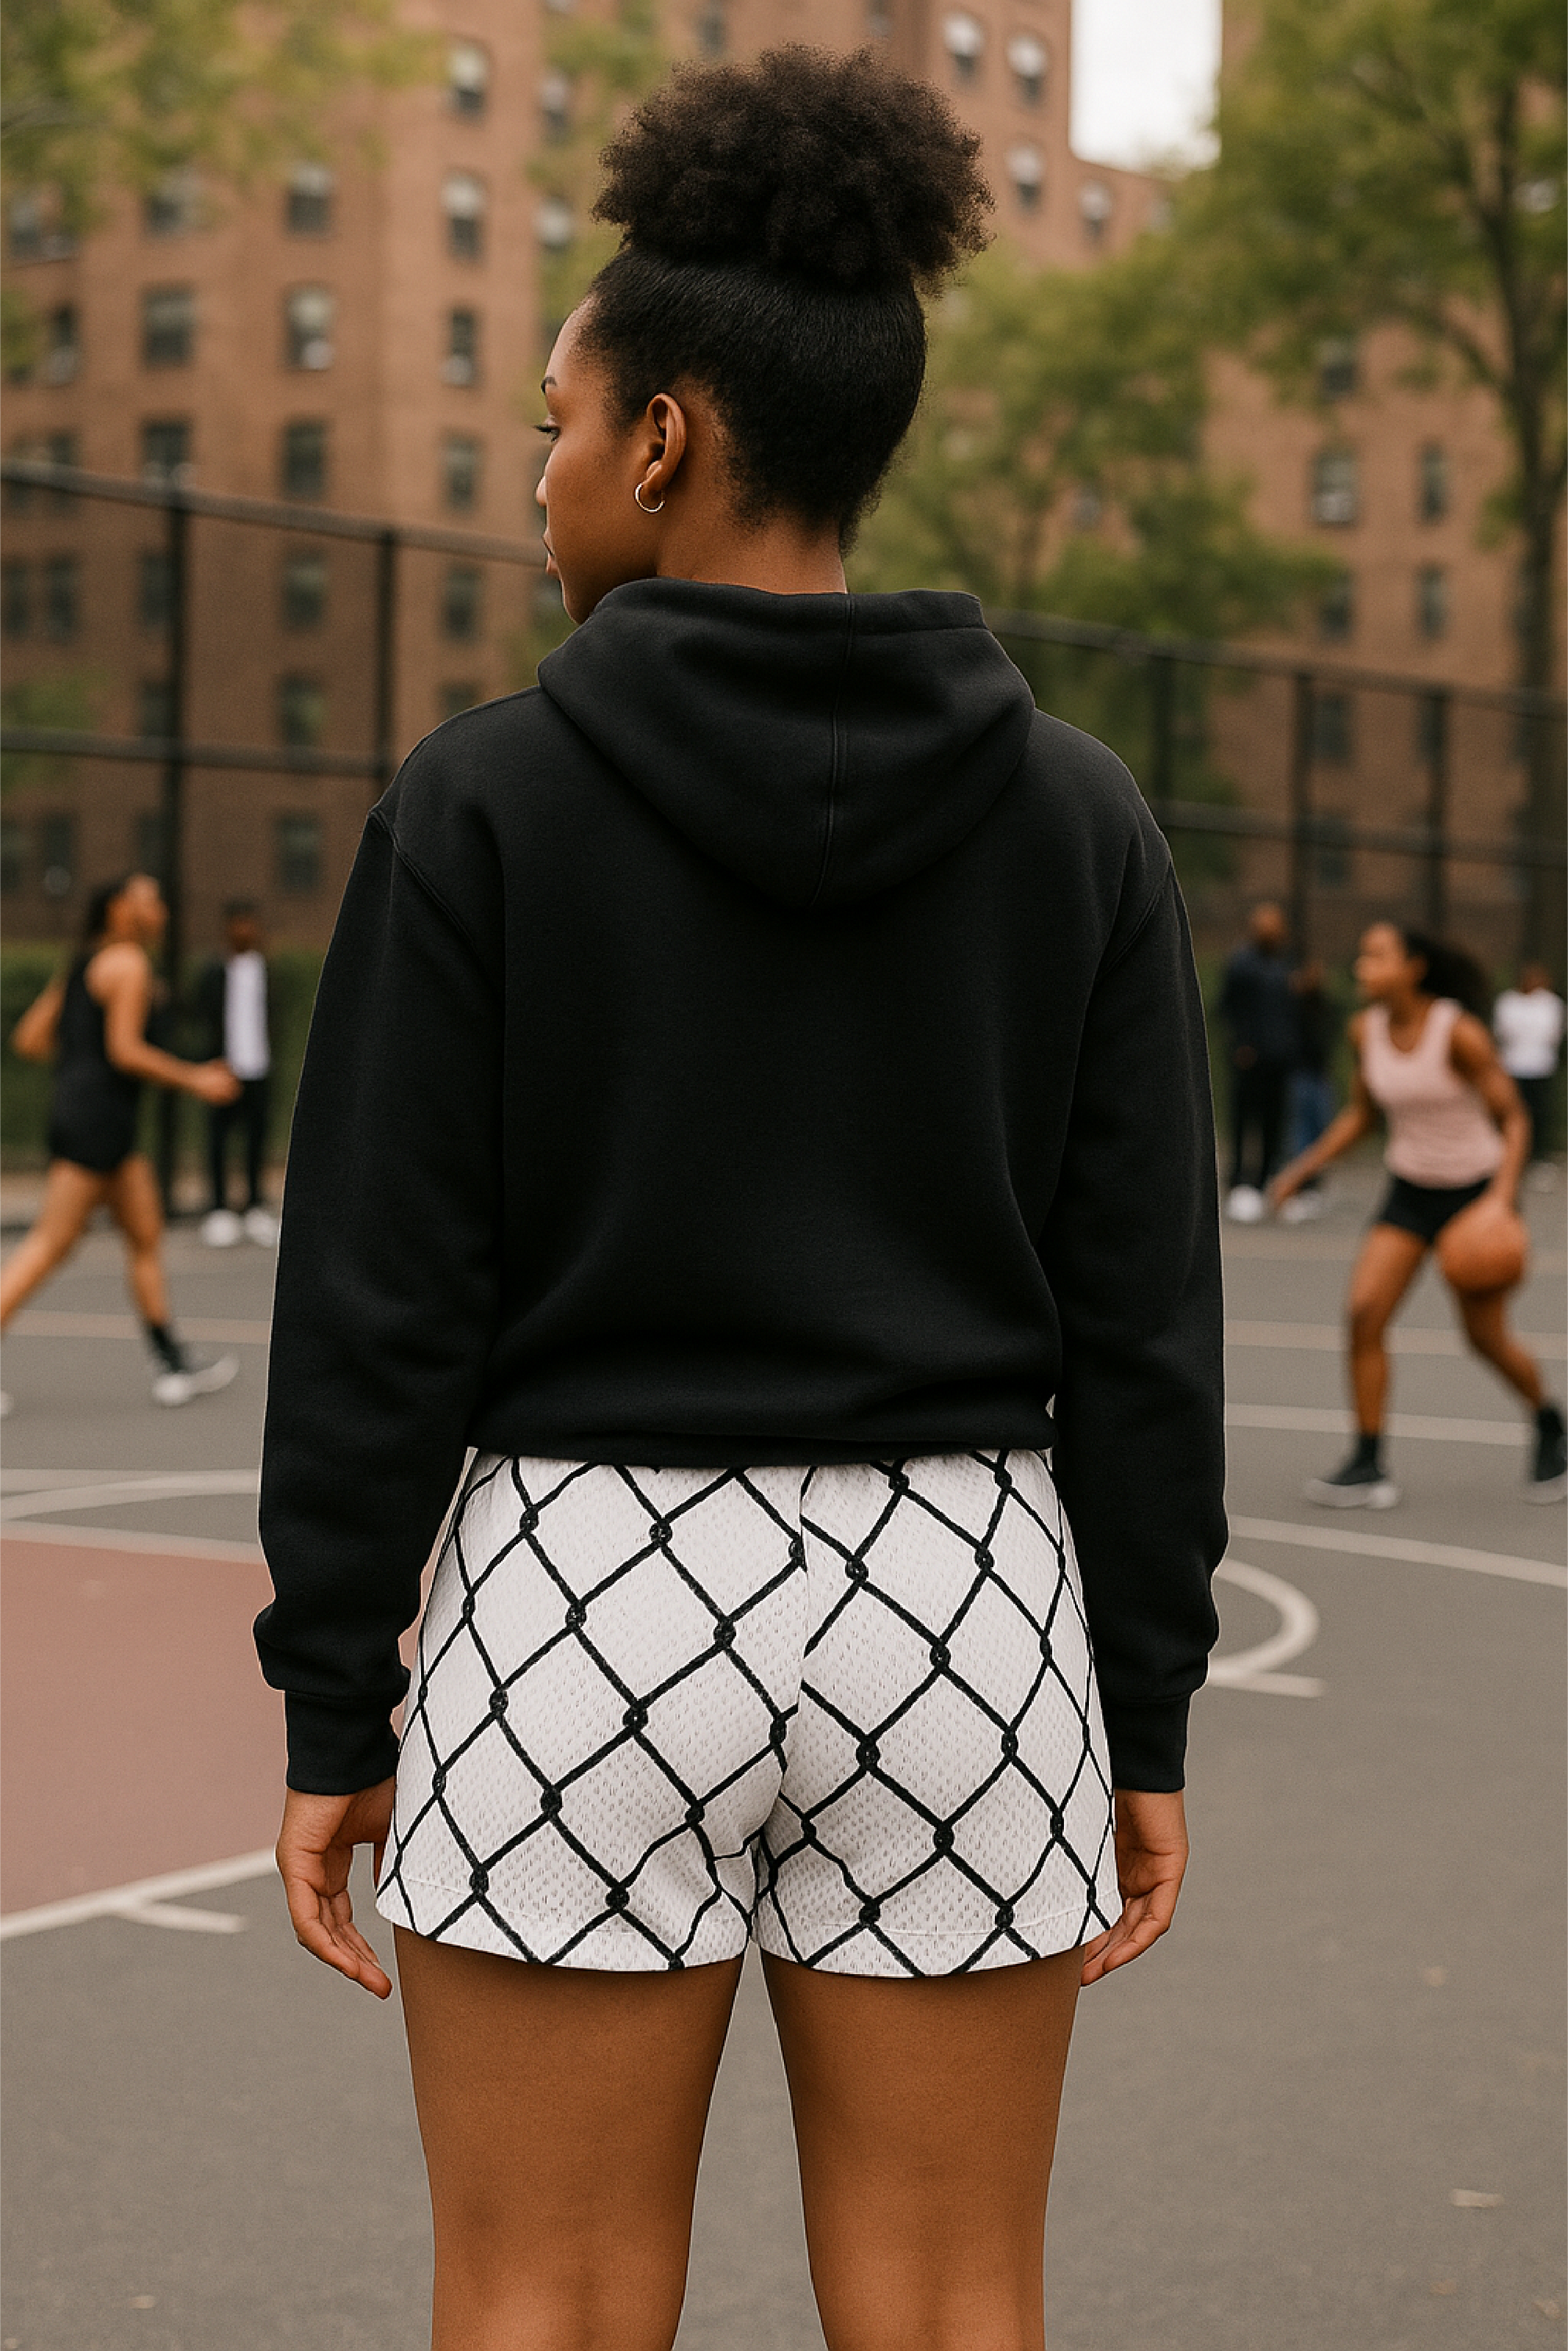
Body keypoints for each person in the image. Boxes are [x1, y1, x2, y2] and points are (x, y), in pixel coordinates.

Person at [256, 50, 1226, 2351]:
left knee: (546, 2301)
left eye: (557, 424)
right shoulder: (1077, 817)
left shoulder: (482, 801)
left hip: (588, 1582)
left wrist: (328, 1698)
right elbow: (1145, 1312)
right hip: (967, 1592)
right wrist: (1148, 1699)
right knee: (951, 2299)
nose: (539, 476)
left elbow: (382, 1300)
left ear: (667, 438)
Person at [1270, 922, 1566, 1507]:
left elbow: (1515, 1120)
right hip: (1410, 1190)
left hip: (1473, 1193)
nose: (1361, 966)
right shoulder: (1366, 1030)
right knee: (1363, 1314)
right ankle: (1368, 1461)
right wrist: (1302, 1168)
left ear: (1413, 968)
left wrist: (1500, 1204)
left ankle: (1550, 1422)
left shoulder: (1458, 1033)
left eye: (1376, 955)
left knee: (1484, 1339)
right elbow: (1362, 1114)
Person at [2, 873, 241, 1413]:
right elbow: (127, 1051)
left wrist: (77, 1069)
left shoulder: (85, 962)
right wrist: (198, 1078)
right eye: (149, 898)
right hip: (97, 1123)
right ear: (118, 909)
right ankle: (171, 1361)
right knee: (50, 1245)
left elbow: (31, 1039)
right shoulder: (130, 964)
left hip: (93, 1117)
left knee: (144, 1233)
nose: (159, 907)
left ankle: (171, 1362)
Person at [194, 900, 278, 1247]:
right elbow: (199, 1015)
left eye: (249, 923)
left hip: (259, 1066)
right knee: (218, 1140)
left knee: (257, 1139)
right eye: (238, 924)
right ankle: (219, 1209)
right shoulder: (214, 970)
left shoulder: (268, 970)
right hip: (224, 1067)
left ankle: (255, 1204)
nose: (244, 930)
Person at [1217, 900, 1297, 1221]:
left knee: (1273, 1124)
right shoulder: (1241, 964)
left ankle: (1266, 1184)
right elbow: (1228, 1007)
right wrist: (1241, 1045)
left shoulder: (1287, 965)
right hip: (1249, 1059)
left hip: (1280, 1059)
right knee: (1242, 1121)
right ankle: (1238, 1184)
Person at [1493, 959, 1564, 1186]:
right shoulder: (1508, 1002)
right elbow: (1504, 1032)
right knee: (1512, 1111)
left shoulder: (1552, 1004)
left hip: (1541, 1067)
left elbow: (1552, 1034)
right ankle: (1510, 1157)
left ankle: (1538, 1157)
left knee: (1539, 1113)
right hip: (1513, 1065)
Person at [1279, 958, 1338, 1224]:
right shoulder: (1293, 1006)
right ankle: (1298, 1187)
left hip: (1319, 1076)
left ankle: (1312, 1186)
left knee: (1319, 1133)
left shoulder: (1324, 1006)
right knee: (1301, 1134)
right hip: (1301, 1076)